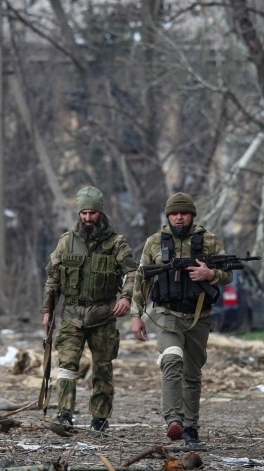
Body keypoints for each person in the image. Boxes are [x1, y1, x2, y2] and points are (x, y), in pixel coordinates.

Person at [130, 192, 232, 445]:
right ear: (168, 216)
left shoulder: (209, 240)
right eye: (174, 213)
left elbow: (227, 274)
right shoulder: (155, 242)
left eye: (183, 213)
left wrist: (210, 273)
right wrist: (136, 315)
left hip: (199, 314)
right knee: (172, 359)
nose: (178, 217)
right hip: (166, 315)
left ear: (192, 215)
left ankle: (191, 428)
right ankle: (174, 420)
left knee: (192, 373)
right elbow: (141, 279)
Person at [42, 186, 138, 433]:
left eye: (92, 213)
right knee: (66, 366)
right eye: (83, 212)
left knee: (103, 368)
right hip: (72, 316)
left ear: (100, 213)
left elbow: (134, 273)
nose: (87, 218)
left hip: (104, 315)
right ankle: (64, 414)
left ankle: (100, 418)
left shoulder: (116, 243)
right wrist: (47, 311)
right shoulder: (66, 242)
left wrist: (126, 298)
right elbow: (53, 279)